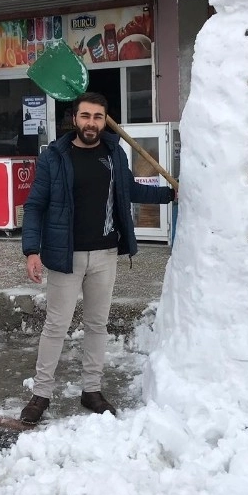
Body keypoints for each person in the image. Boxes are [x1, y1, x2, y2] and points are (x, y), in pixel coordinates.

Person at [20, 92, 175, 424]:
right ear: (74, 119)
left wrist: (171, 194)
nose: (91, 123)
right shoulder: (55, 157)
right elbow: (35, 205)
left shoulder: (113, 153)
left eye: (98, 117)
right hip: (65, 256)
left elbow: (130, 190)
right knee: (56, 326)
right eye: (86, 116)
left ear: (106, 121)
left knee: (97, 325)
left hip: (105, 254)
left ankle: (91, 390)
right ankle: (41, 394)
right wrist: (32, 251)